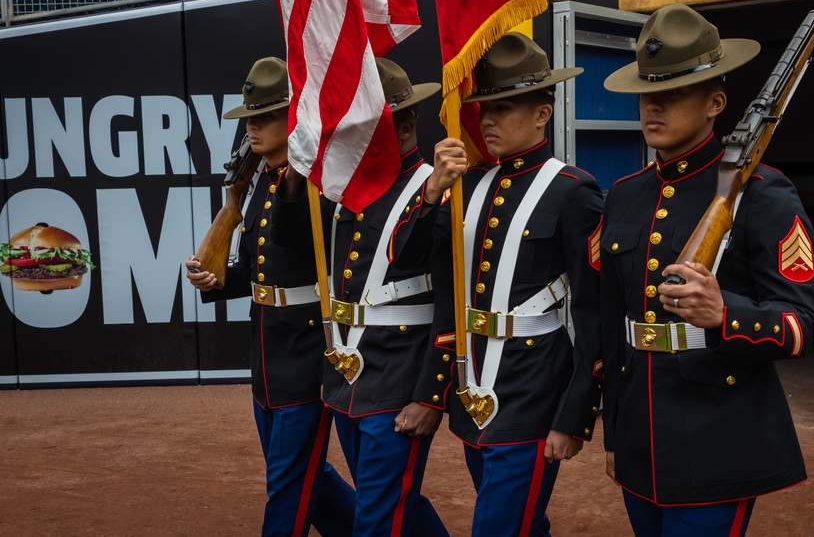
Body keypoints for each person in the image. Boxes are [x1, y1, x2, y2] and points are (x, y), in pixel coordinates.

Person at [599, 4, 814, 536]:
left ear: (715, 103)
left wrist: (726, 315)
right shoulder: (625, 196)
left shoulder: (763, 194)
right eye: (646, 93)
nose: (652, 106)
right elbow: (612, 326)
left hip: (719, 435)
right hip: (639, 436)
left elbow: (801, 327)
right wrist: (614, 435)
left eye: (672, 93)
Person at [391, 32, 605, 537]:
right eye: (483, 106)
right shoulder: (466, 187)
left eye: (504, 107)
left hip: (535, 390)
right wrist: (431, 192)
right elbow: (414, 267)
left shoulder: (573, 191)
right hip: (475, 388)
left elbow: (594, 311)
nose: (486, 119)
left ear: (542, 114)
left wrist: (575, 414)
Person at [273, 58, 449, 537]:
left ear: (408, 125)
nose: (357, 144)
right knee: (392, 506)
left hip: (400, 377)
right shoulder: (346, 189)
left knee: (376, 516)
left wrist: (430, 395)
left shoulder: (436, 190)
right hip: (348, 374)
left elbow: (449, 305)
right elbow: (288, 240)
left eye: (369, 131)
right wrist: (295, 173)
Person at [185, 57, 355, 537]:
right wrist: (220, 280)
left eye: (264, 117)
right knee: (305, 476)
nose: (252, 128)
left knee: (287, 481)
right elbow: (264, 267)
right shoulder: (259, 179)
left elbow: (293, 237)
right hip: (266, 346)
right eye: (249, 119)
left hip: (306, 348)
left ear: (294, 121)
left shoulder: (315, 182)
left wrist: (290, 174)